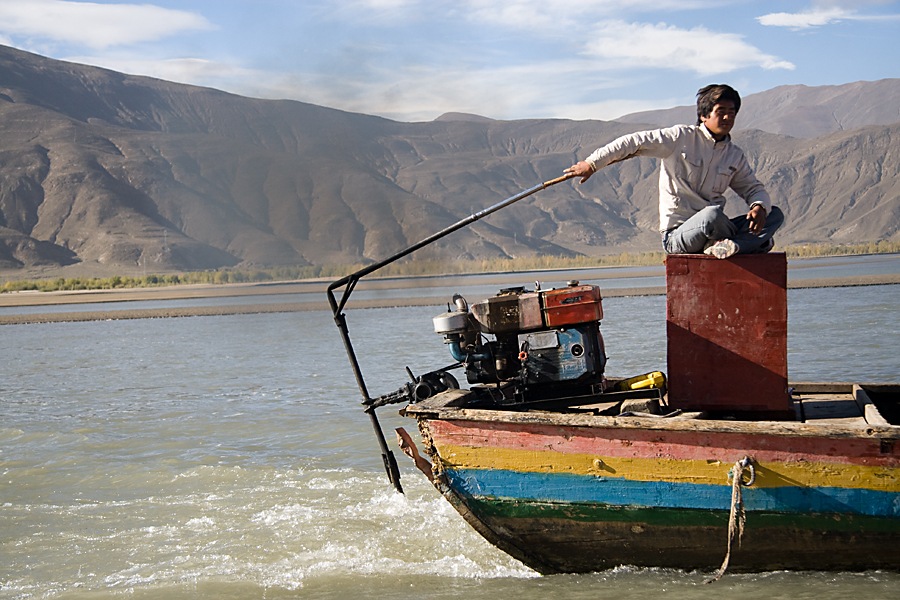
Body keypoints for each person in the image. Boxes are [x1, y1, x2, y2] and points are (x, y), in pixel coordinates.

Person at [564, 84, 784, 258]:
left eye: (732, 113)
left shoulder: (734, 155)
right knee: (712, 215)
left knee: (774, 214)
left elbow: (752, 188)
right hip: (678, 235)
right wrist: (592, 163)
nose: (727, 118)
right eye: (721, 112)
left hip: (717, 232)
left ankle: (730, 246)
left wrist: (758, 206)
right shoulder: (680, 138)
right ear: (704, 115)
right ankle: (752, 244)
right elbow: (633, 141)